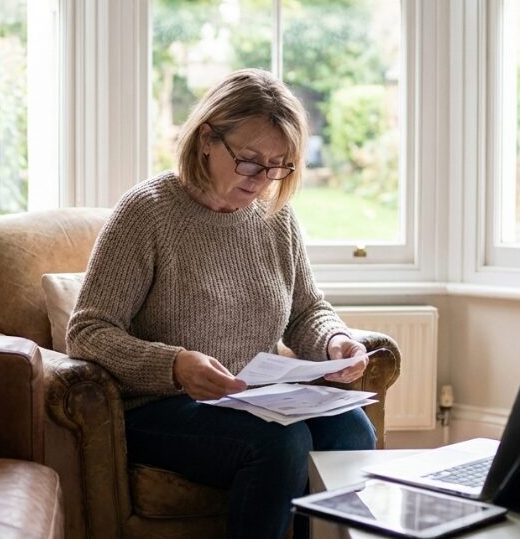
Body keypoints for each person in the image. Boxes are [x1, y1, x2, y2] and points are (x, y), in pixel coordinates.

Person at [66, 68, 376, 539]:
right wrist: (174, 365)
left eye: (279, 166)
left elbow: (306, 310)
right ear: (207, 138)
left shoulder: (275, 218)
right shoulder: (147, 212)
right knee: (280, 443)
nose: (263, 179)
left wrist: (335, 340)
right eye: (250, 161)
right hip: (161, 407)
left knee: (352, 430)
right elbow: (87, 331)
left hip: (253, 401)